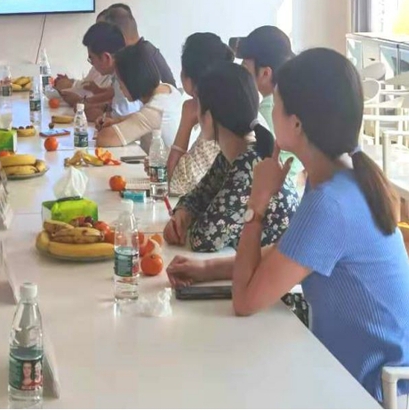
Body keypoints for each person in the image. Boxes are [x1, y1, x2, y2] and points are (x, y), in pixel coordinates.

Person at [167, 49, 409, 402]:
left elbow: (245, 301)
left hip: (366, 392)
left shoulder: (330, 202)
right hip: (341, 372)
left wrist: (257, 204)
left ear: (296, 124)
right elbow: (287, 253)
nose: (267, 113)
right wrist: (207, 269)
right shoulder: (339, 177)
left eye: (276, 105)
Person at [163, 63, 298, 252]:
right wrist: (182, 213)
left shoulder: (249, 165)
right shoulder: (234, 154)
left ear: (208, 117)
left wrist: (188, 222)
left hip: (272, 268)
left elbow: (203, 239)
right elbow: (198, 195)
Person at [167, 33, 235, 195]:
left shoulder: (219, 118)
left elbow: (174, 184)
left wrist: (186, 122)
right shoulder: (231, 102)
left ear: (188, 78)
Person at [238, 25, 303, 185]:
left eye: (245, 67)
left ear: (265, 73)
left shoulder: (267, 111)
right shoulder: (296, 97)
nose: (240, 74)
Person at [94, 39, 182, 149]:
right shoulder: (168, 89)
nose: (120, 87)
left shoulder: (154, 110)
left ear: (132, 81)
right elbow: (141, 117)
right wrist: (116, 121)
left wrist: (111, 127)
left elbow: (104, 139)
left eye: (120, 81)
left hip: (159, 160)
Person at [69, 22, 128, 123]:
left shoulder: (126, 76)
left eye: (91, 59)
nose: (92, 64)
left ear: (106, 58)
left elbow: (120, 119)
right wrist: (86, 104)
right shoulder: (118, 72)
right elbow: (114, 103)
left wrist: (86, 113)